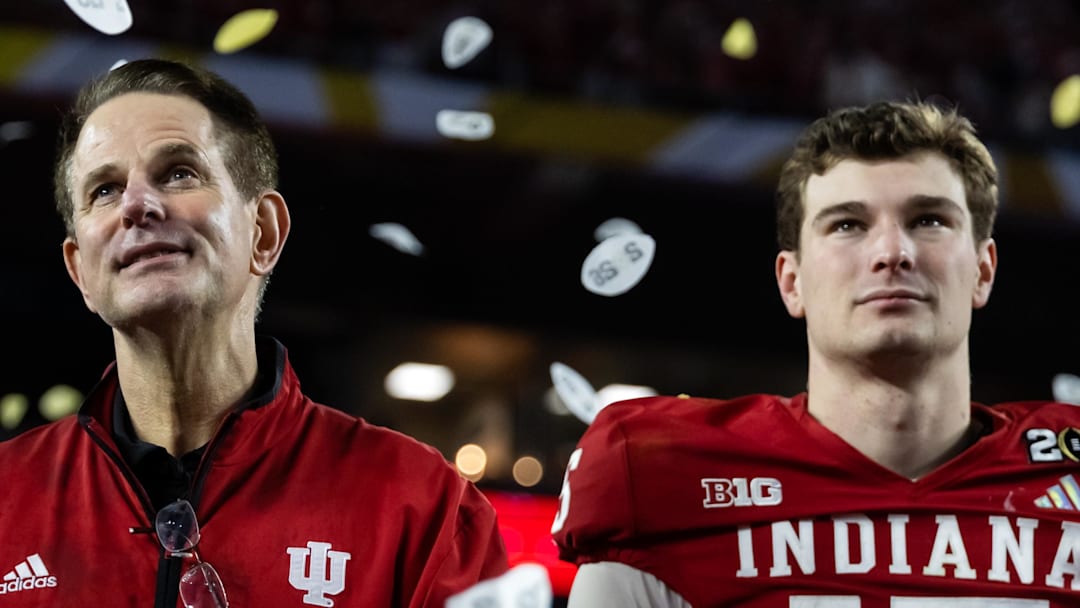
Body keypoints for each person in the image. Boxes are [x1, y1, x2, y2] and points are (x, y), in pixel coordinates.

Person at [0, 58, 507, 607]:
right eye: (103, 190)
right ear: (80, 272)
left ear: (263, 233)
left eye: (178, 172)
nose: (137, 205)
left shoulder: (425, 508)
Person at [552, 100, 1080, 606]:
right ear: (792, 282)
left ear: (984, 270)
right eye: (848, 224)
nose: (892, 252)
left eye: (929, 220)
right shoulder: (665, 478)